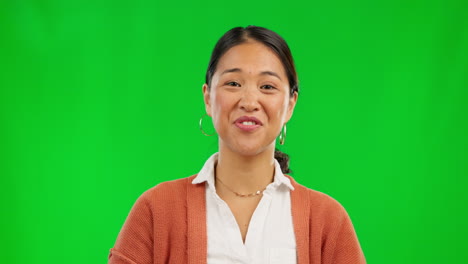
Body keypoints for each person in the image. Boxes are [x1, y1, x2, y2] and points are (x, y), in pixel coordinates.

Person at [108, 25, 366, 264]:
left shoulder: (328, 221)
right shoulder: (156, 210)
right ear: (208, 97)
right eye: (233, 83)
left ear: (290, 105)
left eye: (267, 86)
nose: (249, 101)